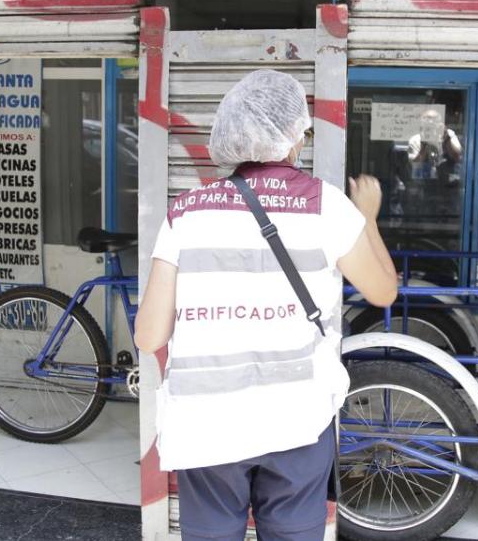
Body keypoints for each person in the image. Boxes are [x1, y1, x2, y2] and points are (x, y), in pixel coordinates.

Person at [135, 69, 398, 541]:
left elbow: (148, 336)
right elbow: (383, 291)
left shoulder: (186, 211)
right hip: (296, 420)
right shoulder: (326, 206)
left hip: (206, 425)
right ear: (293, 137)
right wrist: (370, 220)